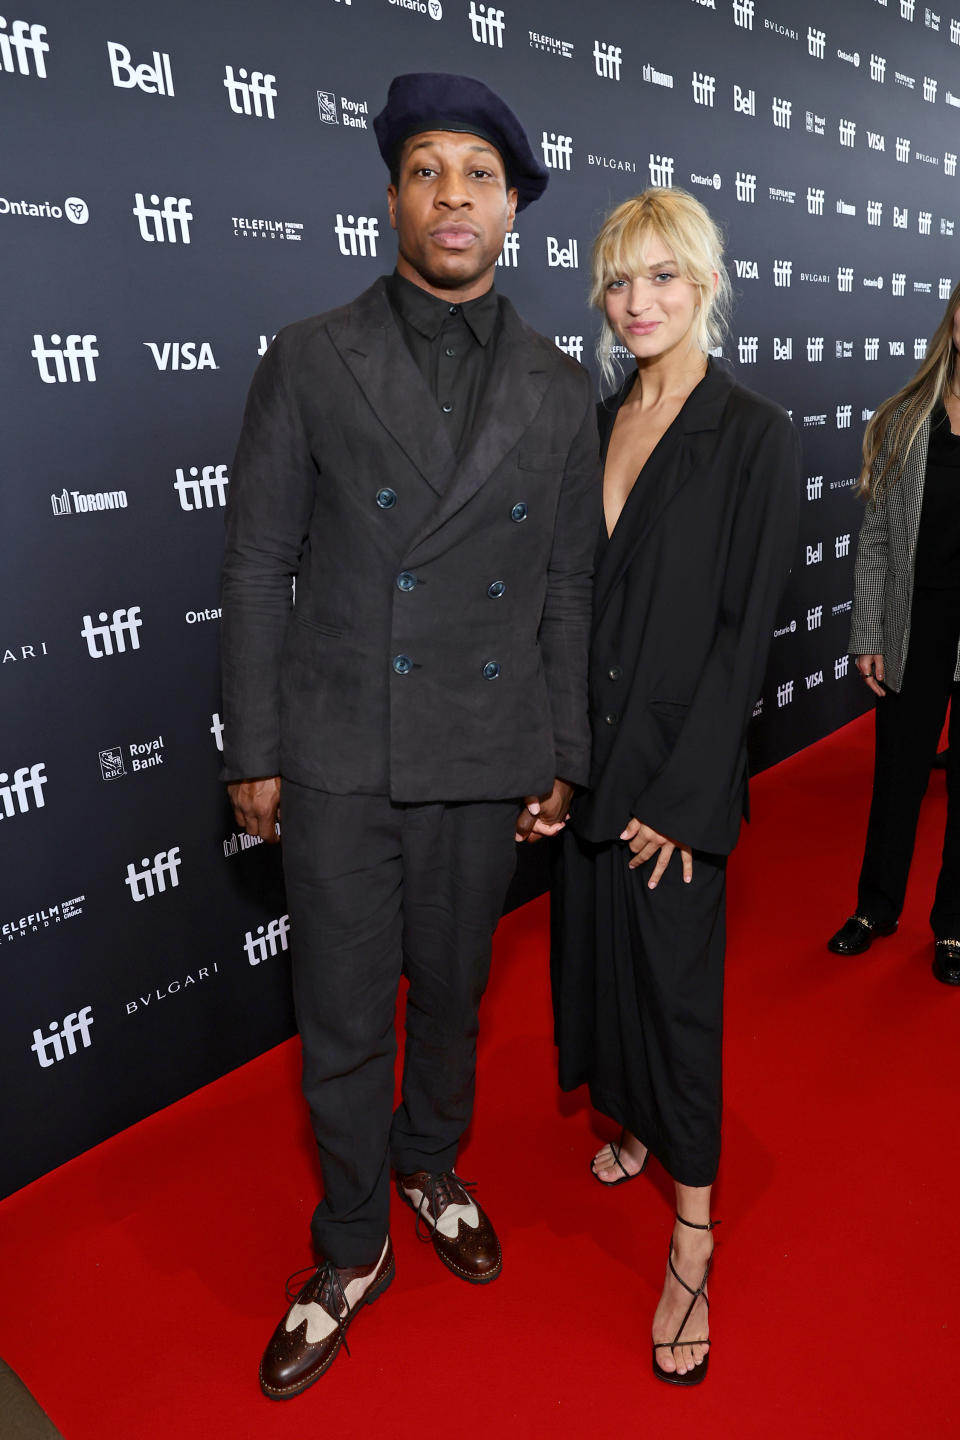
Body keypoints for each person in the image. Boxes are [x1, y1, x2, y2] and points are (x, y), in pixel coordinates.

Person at [220, 72, 599, 1398]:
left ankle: (431, 1162)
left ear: (514, 210)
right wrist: (253, 748)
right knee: (338, 1017)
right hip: (335, 751)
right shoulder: (312, 357)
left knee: (452, 992)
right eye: (428, 170)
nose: (453, 196)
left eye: (478, 175)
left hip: (483, 747)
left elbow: (562, 586)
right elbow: (260, 559)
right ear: (391, 198)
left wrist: (564, 750)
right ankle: (348, 1242)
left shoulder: (559, 387)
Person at [549, 189, 800, 1385]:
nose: (636, 301)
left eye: (661, 277)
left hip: (675, 783)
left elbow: (745, 637)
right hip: (595, 764)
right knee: (601, 962)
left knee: (679, 997)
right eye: (617, 280)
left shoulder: (752, 431)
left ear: (706, 283)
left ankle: (692, 1235)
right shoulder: (600, 418)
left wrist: (689, 801)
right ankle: (630, 1120)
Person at [827, 282, 960, 984]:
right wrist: (869, 630)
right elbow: (877, 535)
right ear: (955, 322)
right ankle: (876, 909)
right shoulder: (910, 419)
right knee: (897, 778)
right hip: (916, 623)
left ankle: (955, 927)